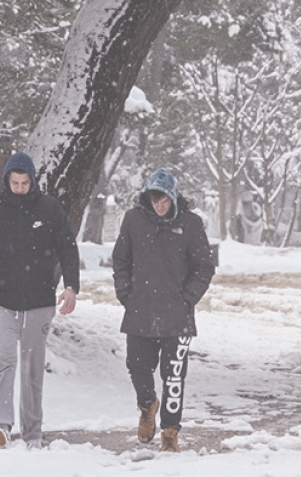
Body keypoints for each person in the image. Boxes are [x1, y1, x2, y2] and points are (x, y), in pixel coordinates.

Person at [0, 152, 80, 450]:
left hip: (39, 301)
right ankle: (1, 426)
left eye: (25, 182)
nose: (20, 187)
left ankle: (32, 433)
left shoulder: (49, 209)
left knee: (32, 367)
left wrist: (71, 286)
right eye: (15, 182)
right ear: (6, 181)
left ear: (33, 181)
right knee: (6, 361)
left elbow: (67, 248)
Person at [110, 168, 216, 453]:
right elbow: (121, 259)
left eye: (165, 200)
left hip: (177, 315)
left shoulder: (191, 224)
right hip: (139, 311)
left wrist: (188, 298)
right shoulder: (133, 220)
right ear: (147, 197)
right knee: (137, 367)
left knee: (174, 376)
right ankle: (147, 406)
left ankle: (170, 430)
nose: (159, 205)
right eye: (154, 199)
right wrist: (125, 294)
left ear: (174, 198)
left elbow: (204, 266)